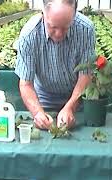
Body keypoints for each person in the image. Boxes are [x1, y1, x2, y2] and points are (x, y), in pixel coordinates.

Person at [15, 0, 96, 130]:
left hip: (78, 98)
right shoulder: (29, 35)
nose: (58, 34)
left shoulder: (85, 29)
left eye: (65, 27)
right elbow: (26, 83)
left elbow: (85, 75)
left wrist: (70, 107)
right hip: (44, 98)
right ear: (43, 14)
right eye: (52, 27)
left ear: (74, 15)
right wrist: (37, 113)